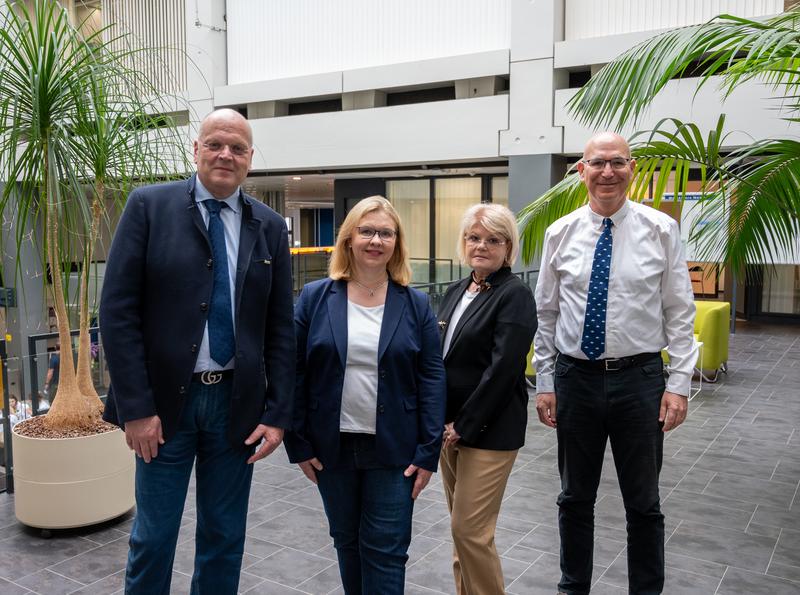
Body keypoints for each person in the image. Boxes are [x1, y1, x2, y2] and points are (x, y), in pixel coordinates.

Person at [100, 108, 295, 594]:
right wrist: (136, 409)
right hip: (164, 409)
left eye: (238, 148)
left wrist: (277, 414)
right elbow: (117, 313)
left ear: (250, 158)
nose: (226, 154)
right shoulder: (149, 206)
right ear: (196, 149)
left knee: (224, 537)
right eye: (215, 144)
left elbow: (280, 327)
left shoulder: (269, 227)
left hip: (237, 408)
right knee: (153, 537)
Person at [534, 132, 697, 595]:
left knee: (644, 503)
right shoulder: (559, 233)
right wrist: (545, 380)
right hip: (574, 379)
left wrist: (679, 383)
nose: (608, 172)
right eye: (598, 163)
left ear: (632, 169)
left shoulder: (661, 230)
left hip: (641, 380)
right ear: (581, 171)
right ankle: (573, 588)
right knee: (574, 499)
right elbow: (546, 313)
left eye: (618, 162)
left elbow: (680, 310)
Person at [284, 196, 446, 594]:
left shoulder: (416, 303)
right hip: (330, 446)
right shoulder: (314, 297)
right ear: (349, 239)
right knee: (347, 542)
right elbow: (293, 371)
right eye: (367, 230)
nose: (376, 240)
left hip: (396, 448)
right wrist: (298, 442)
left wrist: (428, 451)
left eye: (386, 233)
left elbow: (431, 376)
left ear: (397, 243)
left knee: (387, 550)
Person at [437, 203, 536, 595]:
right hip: (449, 430)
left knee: (470, 531)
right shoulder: (457, 290)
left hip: (488, 430)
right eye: (474, 238)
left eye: (493, 239)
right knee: (461, 532)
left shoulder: (514, 295)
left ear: (507, 246)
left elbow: (503, 370)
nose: (481, 246)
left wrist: (462, 425)